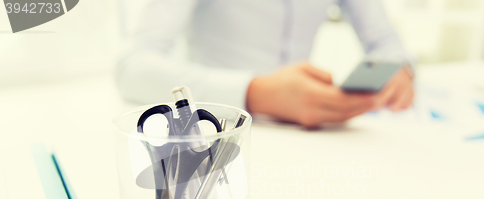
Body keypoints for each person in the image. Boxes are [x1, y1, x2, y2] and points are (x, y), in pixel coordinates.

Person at [116, 0, 414, 128]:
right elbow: (132, 65)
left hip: (314, 134)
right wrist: (255, 93)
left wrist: (398, 69)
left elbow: (387, 42)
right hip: (218, 130)